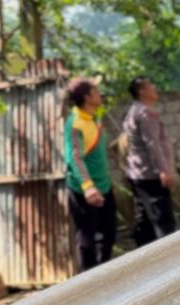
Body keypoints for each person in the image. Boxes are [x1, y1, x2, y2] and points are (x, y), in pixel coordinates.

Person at [64, 77, 116, 273]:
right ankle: (88, 281)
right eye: (96, 90)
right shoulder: (75, 123)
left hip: (104, 185)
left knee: (109, 234)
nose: (99, 93)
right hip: (85, 189)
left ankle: (104, 276)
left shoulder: (92, 117)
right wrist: (88, 186)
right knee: (87, 239)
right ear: (87, 97)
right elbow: (75, 158)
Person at [123, 76, 176, 247]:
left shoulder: (133, 111)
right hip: (151, 175)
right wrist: (163, 170)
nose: (155, 87)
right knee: (163, 222)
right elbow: (152, 143)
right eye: (151, 85)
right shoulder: (147, 112)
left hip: (139, 173)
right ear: (142, 92)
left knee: (144, 222)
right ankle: (169, 258)